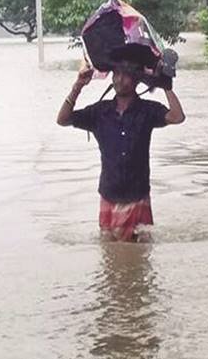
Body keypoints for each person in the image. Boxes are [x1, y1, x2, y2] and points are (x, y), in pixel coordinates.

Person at [56, 61, 186, 242]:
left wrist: (166, 85)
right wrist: (78, 85)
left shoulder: (147, 111)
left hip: (138, 195)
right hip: (109, 193)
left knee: (141, 254)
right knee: (109, 256)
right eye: (115, 74)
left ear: (136, 81)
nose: (118, 79)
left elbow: (177, 117)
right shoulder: (99, 112)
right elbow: (62, 119)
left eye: (124, 75)